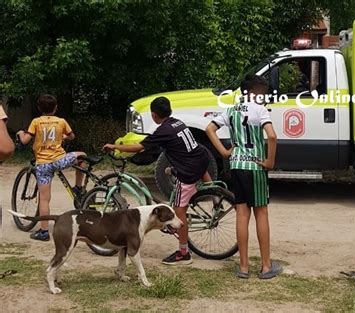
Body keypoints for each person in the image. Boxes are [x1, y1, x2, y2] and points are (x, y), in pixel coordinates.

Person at [103, 96, 210, 265]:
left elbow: (139, 147)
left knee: (178, 211)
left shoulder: (163, 131)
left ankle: (184, 253)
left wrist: (116, 147)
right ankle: (214, 194)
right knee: (179, 176)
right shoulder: (177, 122)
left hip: (188, 171)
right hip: (201, 160)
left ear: (154, 115)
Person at [206, 74, 282, 279]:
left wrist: (223, 152)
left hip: (237, 166)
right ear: (252, 92)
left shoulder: (230, 110)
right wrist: (269, 162)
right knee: (261, 214)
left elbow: (209, 129)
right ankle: (266, 266)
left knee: (241, 214)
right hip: (256, 167)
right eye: (262, 94)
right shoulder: (260, 110)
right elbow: (272, 136)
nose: (264, 97)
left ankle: (244, 267)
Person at [17, 94, 86, 241]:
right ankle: (79, 188)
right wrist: (63, 137)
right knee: (82, 157)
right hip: (60, 160)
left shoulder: (36, 122)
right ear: (56, 108)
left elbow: (25, 140)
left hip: (43, 165)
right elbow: (72, 136)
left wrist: (20, 133)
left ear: (39, 108)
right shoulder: (61, 121)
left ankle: (43, 231)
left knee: (44, 199)